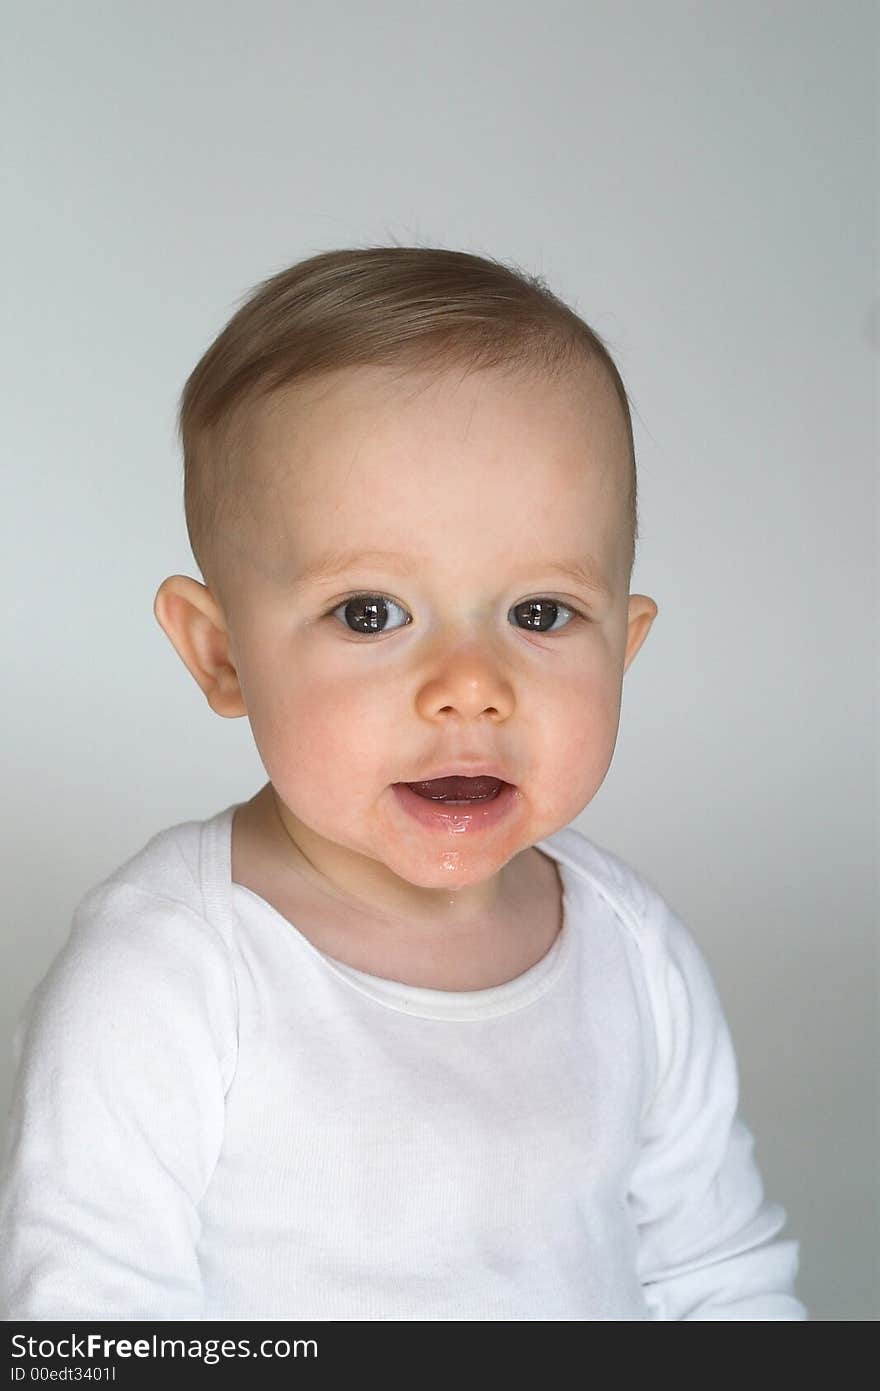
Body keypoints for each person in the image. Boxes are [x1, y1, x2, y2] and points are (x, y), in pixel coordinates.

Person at [0, 246, 808, 1320]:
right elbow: (89, 1319)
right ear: (221, 653)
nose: (470, 687)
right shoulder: (171, 973)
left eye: (539, 613)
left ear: (623, 644)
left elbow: (714, 1274)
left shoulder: (634, 951)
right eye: (371, 611)